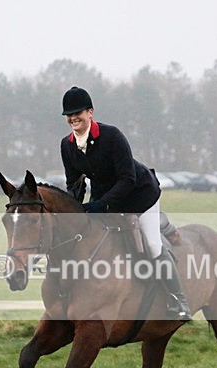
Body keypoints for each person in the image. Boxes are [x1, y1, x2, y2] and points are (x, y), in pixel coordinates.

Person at [59, 86, 191, 321]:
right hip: (104, 195)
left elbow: (127, 179)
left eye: (77, 112)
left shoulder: (112, 136)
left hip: (139, 194)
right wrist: (74, 210)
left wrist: (103, 205)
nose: (72, 118)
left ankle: (177, 299)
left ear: (90, 112)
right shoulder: (67, 145)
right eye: (69, 114)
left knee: (151, 244)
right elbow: (74, 184)